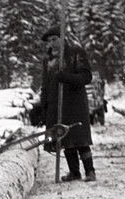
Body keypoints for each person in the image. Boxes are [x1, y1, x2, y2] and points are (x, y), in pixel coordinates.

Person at [40, 25, 96, 182]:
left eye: (55, 39)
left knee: (79, 138)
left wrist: (66, 77)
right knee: (62, 138)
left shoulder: (75, 52)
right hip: (56, 104)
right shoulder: (48, 59)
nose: (52, 43)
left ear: (63, 37)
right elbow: (45, 84)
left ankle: (90, 171)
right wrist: (43, 105)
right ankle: (74, 172)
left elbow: (86, 77)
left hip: (75, 103)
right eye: (49, 41)